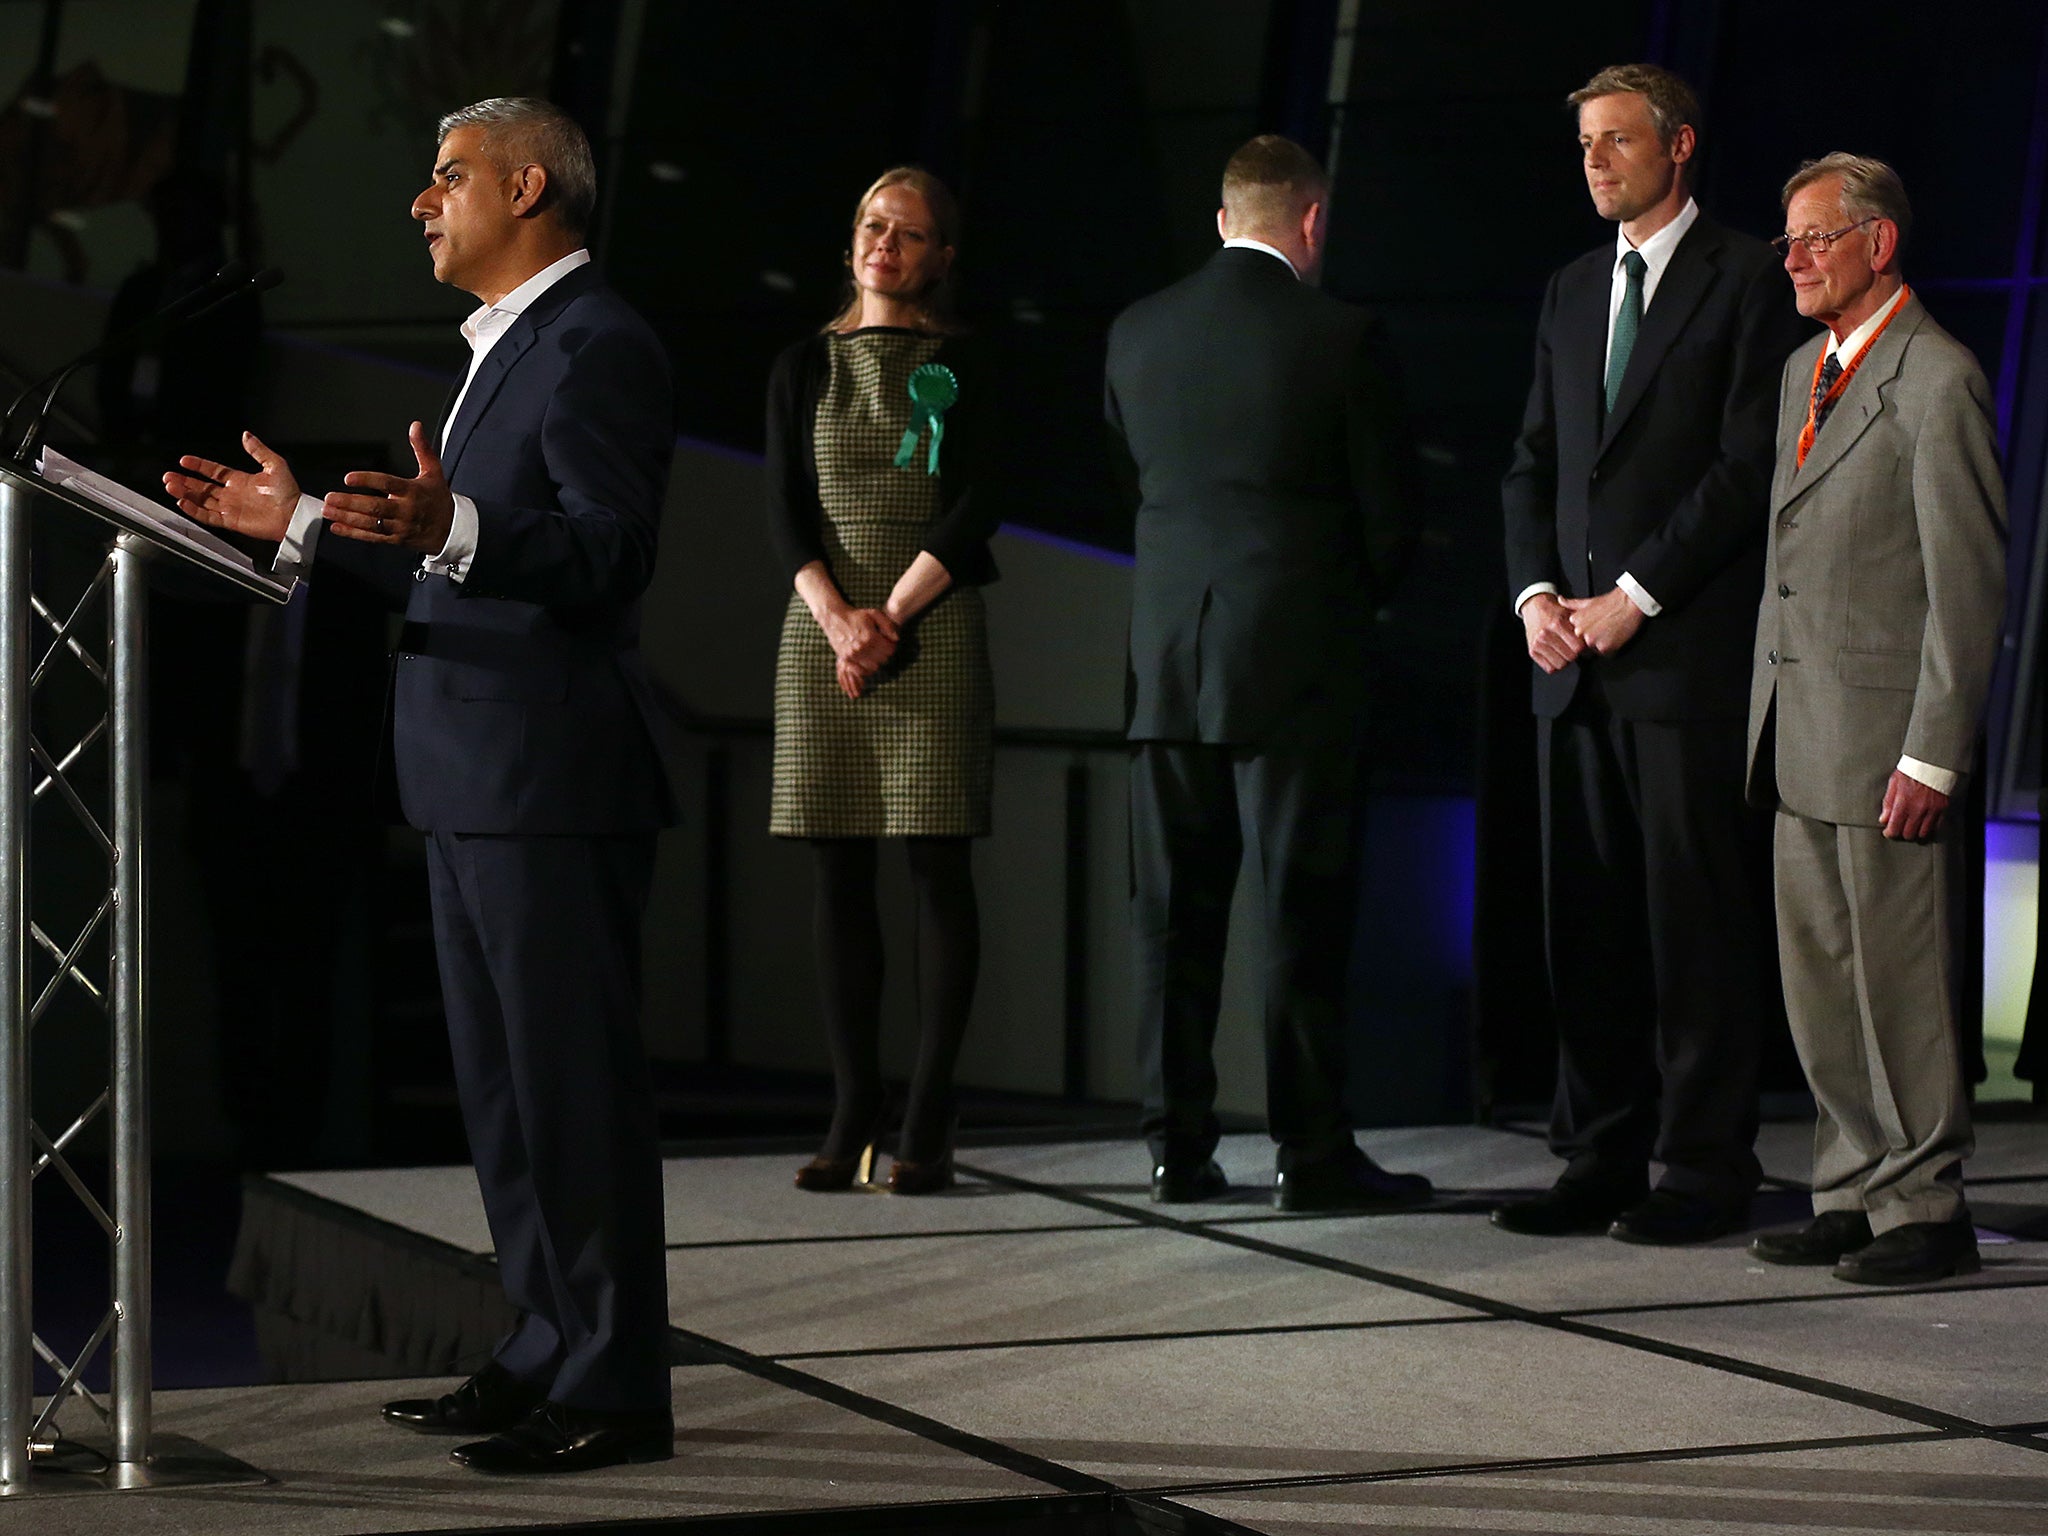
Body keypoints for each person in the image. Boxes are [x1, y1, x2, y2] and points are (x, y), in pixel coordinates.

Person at [163, 97, 676, 1474]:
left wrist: (457, 520)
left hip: (549, 771)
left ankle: (618, 1381)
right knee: (506, 1099)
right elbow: (445, 550)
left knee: (570, 1093)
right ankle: (542, 1345)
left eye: (444, 177)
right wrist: (308, 523)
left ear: (527, 186)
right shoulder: (498, 349)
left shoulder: (598, 341)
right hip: (467, 769)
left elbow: (609, 553)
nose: (418, 202)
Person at [1496, 64, 1806, 1245]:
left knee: (1693, 927)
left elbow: (1743, 466)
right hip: (1564, 665)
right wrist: (1534, 594)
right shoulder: (1572, 289)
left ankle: (1700, 1166)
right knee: (1587, 927)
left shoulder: (1744, 280)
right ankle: (1598, 1156)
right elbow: (1531, 461)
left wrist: (1633, 596)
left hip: (1679, 660)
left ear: (1676, 148)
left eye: (1614, 141)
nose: (1592, 162)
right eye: (1582, 143)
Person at [1104, 134, 1422, 1213]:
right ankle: (1310, 1153)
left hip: (1166, 665)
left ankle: (1174, 1151)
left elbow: (1139, 481)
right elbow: (1388, 522)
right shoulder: (1340, 336)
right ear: (1312, 220)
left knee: (1170, 917)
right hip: (1295, 665)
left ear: (1220, 218)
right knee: (1295, 915)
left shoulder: (1135, 332)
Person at [1745, 154, 2006, 1285]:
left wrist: (1931, 756)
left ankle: (1924, 1207)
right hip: (1795, 728)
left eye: (1812, 237)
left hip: (1887, 743)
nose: (1793, 258)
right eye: (1787, 241)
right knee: (1817, 980)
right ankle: (1851, 1186)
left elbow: (1967, 587)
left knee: (1899, 984)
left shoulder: (1935, 377)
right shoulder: (1805, 366)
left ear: (1874, 244)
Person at [765, 167, 997, 1197]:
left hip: (928, 615)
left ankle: (928, 1112)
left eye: (906, 233)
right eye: (869, 224)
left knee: (935, 868)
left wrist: (889, 618)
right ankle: (852, 1102)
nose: (882, 244)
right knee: (836, 868)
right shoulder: (800, 363)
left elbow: (979, 500)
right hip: (823, 625)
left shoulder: (968, 362)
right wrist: (836, 619)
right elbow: (782, 509)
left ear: (941, 255)